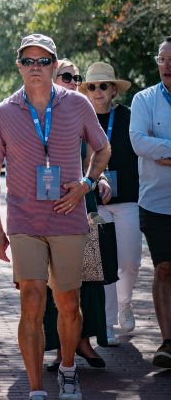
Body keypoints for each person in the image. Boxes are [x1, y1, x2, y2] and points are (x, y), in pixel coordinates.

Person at [0, 33, 110, 400]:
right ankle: (37, 391)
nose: (35, 68)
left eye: (43, 61)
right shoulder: (3, 113)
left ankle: (68, 370)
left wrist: (86, 184)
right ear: (19, 66)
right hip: (24, 220)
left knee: (68, 303)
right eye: (28, 61)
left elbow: (102, 148)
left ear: (55, 65)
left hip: (69, 219)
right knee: (32, 299)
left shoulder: (78, 105)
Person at [38, 60, 111, 369]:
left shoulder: (81, 110)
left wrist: (98, 179)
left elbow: (98, 151)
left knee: (88, 274)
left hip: (81, 199)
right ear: (54, 79)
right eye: (66, 76)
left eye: (76, 77)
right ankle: (59, 347)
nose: (72, 81)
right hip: (44, 203)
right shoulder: (37, 110)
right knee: (54, 279)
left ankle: (84, 342)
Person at [80, 63, 140, 345]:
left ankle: (125, 304)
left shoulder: (130, 117)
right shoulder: (81, 118)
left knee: (130, 263)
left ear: (114, 89)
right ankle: (107, 324)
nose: (98, 91)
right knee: (105, 264)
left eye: (104, 85)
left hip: (128, 197)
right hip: (96, 200)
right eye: (92, 86)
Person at [128, 37, 171, 368]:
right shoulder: (144, 100)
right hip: (156, 203)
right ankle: (168, 341)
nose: (168, 65)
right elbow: (138, 141)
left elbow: (151, 144)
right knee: (164, 269)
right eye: (162, 59)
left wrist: (164, 148)